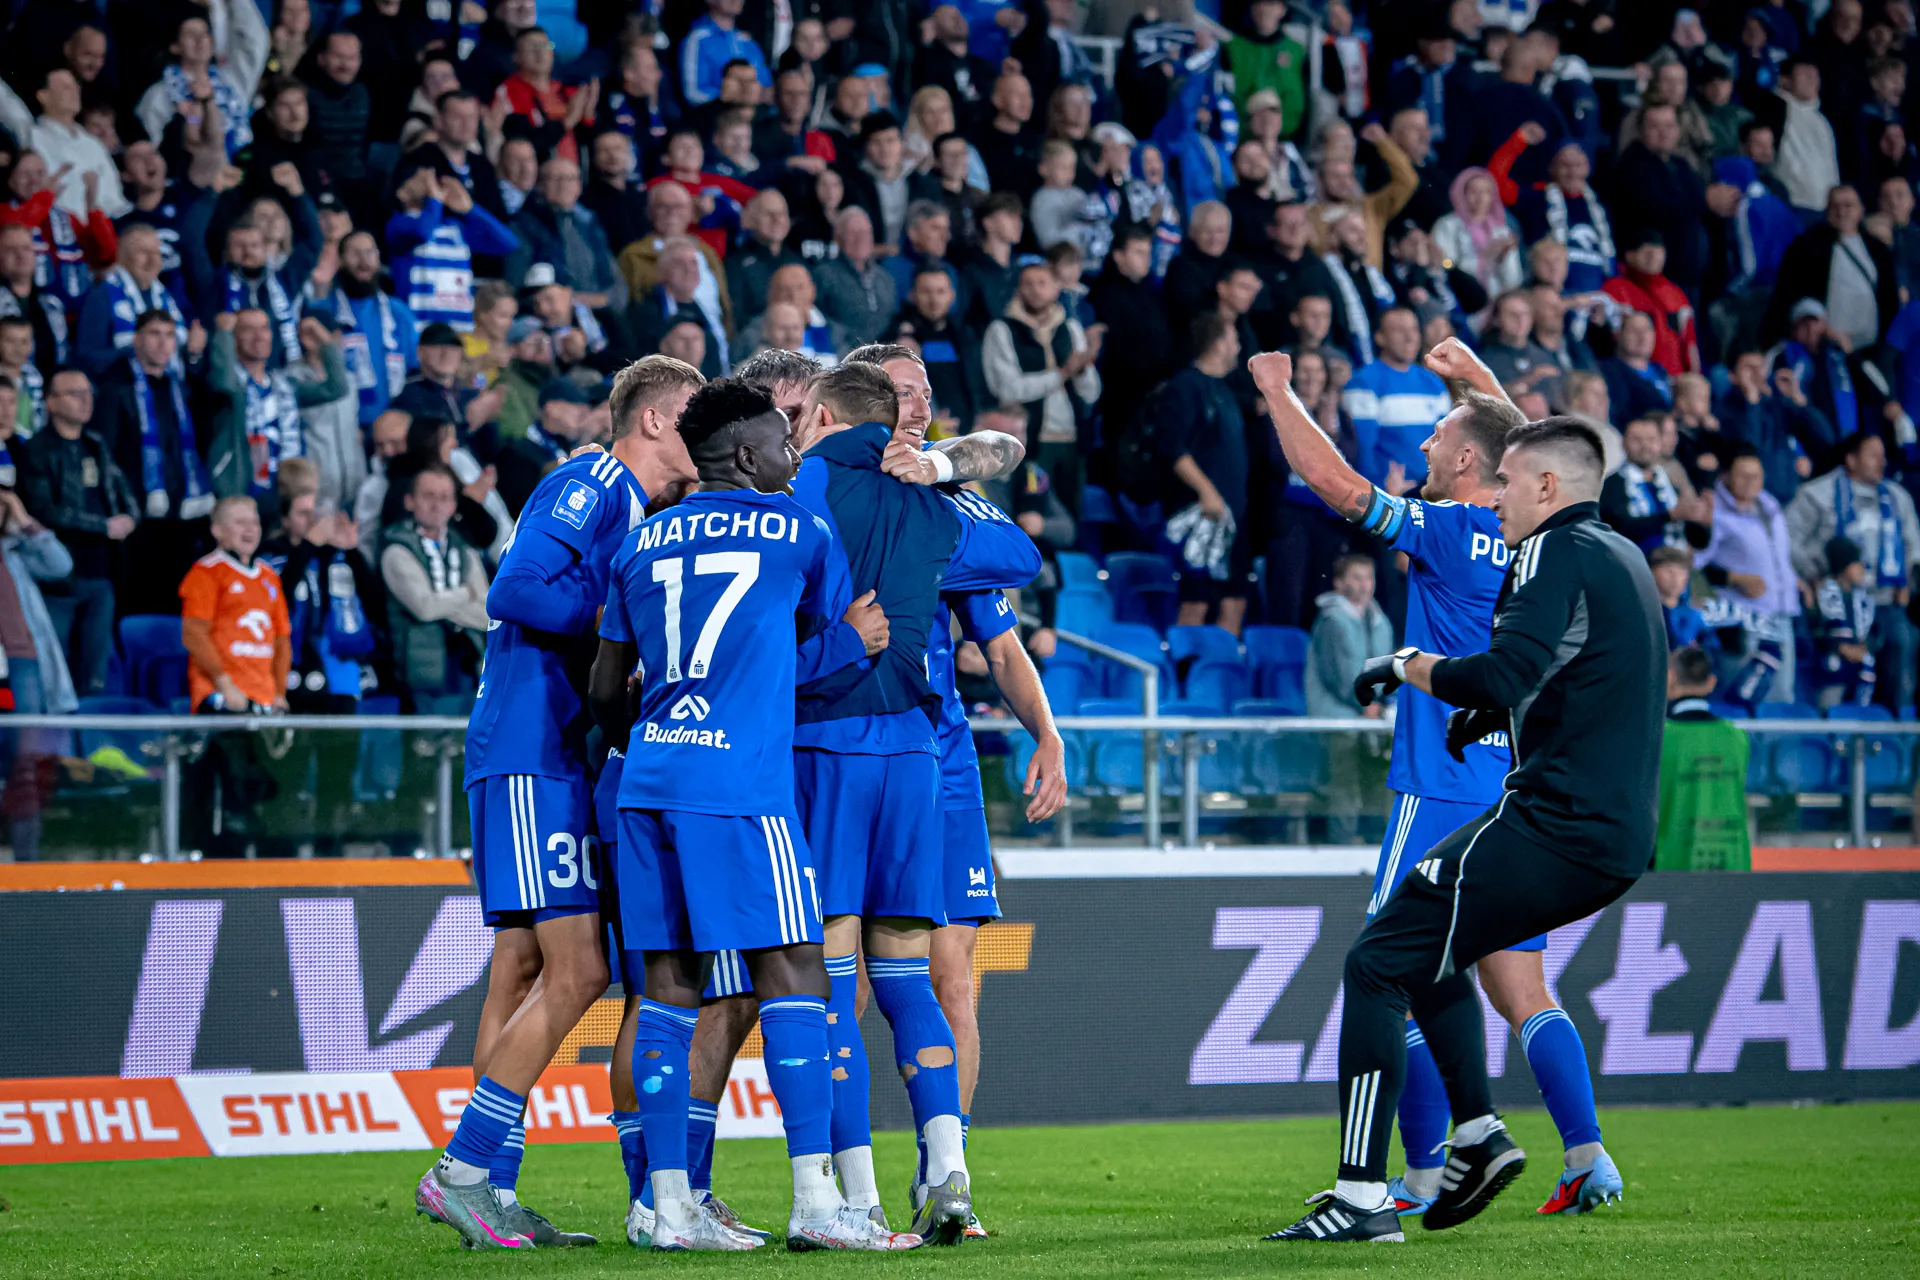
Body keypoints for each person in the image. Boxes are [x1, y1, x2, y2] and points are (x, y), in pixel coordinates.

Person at [1267, 411, 1663, 1243]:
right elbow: (1560, 676)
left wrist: (1410, 667)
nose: (1499, 498)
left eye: (1509, 482)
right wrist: (1489, 714)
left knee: (1379, 962)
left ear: (1535, 483)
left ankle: (1386, 1186)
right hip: (1601, 826)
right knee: (1489, 975)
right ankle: (1554, 1145)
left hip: (1511, 807)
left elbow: (1341, 490)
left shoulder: (1512, 542)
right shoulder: (1622, 554)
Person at [586, 377, 914, 1253]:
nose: (792, 454)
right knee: (798, 974)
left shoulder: (640, 541)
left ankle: (669, 1208)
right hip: (740, 788)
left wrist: (660, 732)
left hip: (647, 784)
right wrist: (852, 641)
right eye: (780, 440)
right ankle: (816, 1201)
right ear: (743, 454)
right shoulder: (801, 529)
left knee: (666, 991)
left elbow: (604, 688)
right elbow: (800, 654)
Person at [419, 356, 707, 1251]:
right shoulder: (593, 484)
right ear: (654, 420)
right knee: (577, 972)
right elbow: (512, 590)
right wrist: (623, 618)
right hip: (527, 752)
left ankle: (491, 1190)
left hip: (553, 756)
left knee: (522, 966)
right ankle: (463, 1174)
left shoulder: (635, 506)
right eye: (694, 414)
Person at [785, 361, 1041, 1243]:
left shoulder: (800, 489)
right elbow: (1021, 555)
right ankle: (948, 1168)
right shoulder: (935, 507)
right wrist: (938, 475)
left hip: (827, 745)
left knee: (831, 984)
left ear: (823, 415)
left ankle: (854, 1199)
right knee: (909, 979)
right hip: (914, 757)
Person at [18, 367, 137, 696]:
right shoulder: (36, 450)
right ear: (51, 402)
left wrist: (131, 517)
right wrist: (103, 526)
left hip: (103, 575)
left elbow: (122, 491)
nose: (86, 401)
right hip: (59, 579)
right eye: (75, 394)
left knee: (95, 674)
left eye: (88, 393)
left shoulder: (96, 444)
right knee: (56, 672)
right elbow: (45, 510)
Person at [1787, 431, 1920, 707]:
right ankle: (1827, 722)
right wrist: (1814, 573)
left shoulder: (1898, 497)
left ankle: (1897, 724)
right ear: (1851, 459)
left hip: (1884, 600)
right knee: (1836, 672)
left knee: (1901, 651)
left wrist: (1907, 582)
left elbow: (1913, 547)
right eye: (1873, 455)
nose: (1882, 462)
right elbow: (1788, 540)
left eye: (1883, 456)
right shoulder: (1817, 493)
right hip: (1835, 603)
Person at [981, 257, 1100, 518]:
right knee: (1032, 517)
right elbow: (1007, 390)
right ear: (1018, 289)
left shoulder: (1070, 328)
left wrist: (1081, 370)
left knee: (1070, 520)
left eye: (1042, 283)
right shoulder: (1002, 330)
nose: (1036, 290)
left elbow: (1091, 393)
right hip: (1029, 443)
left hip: (1071, 441)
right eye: (1028, 284)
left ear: (1056, 288)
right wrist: (1062, 374)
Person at [1160, 313, 1251, 633]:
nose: (1238, 347)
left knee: (1234, 599)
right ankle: (1185, 662)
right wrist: (1207, 492)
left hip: (1233, 517)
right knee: (1196, 600)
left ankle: (1221, 664)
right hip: (1201, 516)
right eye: (1234, 339)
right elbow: (1172, 447)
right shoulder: (1185, 386)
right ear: (1220, 342)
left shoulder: (1225, 390)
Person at [381, 466, 488, 714]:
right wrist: (466, 593)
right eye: (428, 496)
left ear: (453, 506)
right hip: (420, 674)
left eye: (444, 498)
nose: (436, 505)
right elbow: (425, 608)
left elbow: (488, 612)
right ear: (410, 501)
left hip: (468, 669)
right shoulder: (397, 550)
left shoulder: (465, 550)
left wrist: (444, 603)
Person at [1701, 450, 1800, 705]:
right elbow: (1695, 564)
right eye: (1743, 475)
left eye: (1756, 476)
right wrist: (1733, 578)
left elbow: (1779, 557)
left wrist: (1793, 580)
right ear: (1725, 476)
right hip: (1743, 617)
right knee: (1742, 695)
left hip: (1780, 613)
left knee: (1781, 696)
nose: (1751, 482)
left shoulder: (1769, 505)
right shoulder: (1713, 510)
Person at [1307, 552, 1393, 842]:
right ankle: (1341, 844)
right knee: (1344, 783)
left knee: (1379, 778)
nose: (1364, 584)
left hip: (1371, 715)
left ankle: (1376, 842)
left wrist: (1380, 705)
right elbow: (1339, 676)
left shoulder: (1380, 620)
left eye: (1368, 577)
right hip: (1338, 717)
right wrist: (1367, 704)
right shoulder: (1331, 620)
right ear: (1339, 582)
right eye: (1356, 577)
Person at [1654, 645, 1752, 872]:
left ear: (1670, 678)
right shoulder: (1737, 737)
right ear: (1711, 682)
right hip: (1733, 862)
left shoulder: (1660, 737)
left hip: (1673, 864)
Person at [1342, 307, 1451, 490]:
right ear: (1380, 338)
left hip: (1430, 491)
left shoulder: (1434, 384)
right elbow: (1361, 448)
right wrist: (1379, 490)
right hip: (1385, 494)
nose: (1409, 338)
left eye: (1413, 330)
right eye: (1399, 330)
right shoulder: (1363, 383)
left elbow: (1446, 443)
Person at [1600, 416, 1712, 553]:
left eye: (1651, 440)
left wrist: (1704, 524)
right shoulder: (1612, 484)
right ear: (1623, 443)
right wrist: (1669, 516)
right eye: (1637, 440)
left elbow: (1697, 542)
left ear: (1660, 443)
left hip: (1676, 558)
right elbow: (1619, 527)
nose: (1645, 446)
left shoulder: (1670, 479)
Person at [1810, 535, 1879, 709]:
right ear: (1844, 566)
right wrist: (1839, 646)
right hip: (1831, 667)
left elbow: (1873, 631)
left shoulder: (1859, 597)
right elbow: (1817, 631)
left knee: (1858, 713)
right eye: (1856, 563)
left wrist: (1864, 647)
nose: (1861, 568)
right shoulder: (1825, 591)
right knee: (1831, 710)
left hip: (1858, 666)